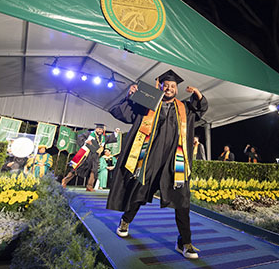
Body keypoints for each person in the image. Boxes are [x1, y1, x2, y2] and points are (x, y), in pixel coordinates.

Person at [106, 69, 208, 259]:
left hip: (174, 162)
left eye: (172, 86)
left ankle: (185, 242)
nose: (169, 88)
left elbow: (200, 110)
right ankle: (125, 221)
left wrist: (199, 95)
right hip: (150, 159)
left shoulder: (184, 108)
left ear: (177, 90)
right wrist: (130, 97)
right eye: (165, 85)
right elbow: (126, 114)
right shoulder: (148, 105)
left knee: (182, 201)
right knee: (138, 191)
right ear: (160, 87)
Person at [61, 124, 119, 191]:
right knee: (77, 168)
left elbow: (109, 138)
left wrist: (115, 133)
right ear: (96, 129)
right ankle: (65, 181)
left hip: (95, 156)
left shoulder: (103, 137)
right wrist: (86, 141)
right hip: (86, 154)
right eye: (99, 129)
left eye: (101, 129)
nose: (100, 131)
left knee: (94, 171)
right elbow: (80, 137)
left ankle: (89, 186)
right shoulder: (89, 134)